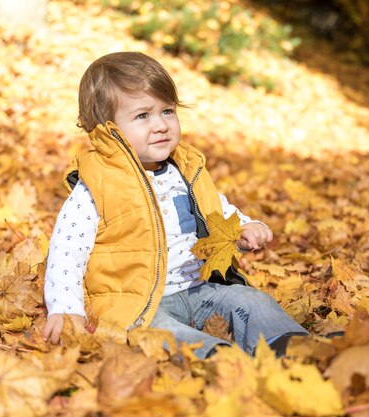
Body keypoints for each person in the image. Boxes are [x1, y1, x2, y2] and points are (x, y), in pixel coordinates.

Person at [42, 51, 308, 358]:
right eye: (143, 116)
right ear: (106, 130)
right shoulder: (98, 185)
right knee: (156, 333)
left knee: (251, 302)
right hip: (137, 302)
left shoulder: (185, 168)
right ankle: (215, 359)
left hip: (201, 290)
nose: (161, 125)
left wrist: (244, 226)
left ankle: (293, 347)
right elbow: (67, 249)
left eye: (167, 111)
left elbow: (214, 209)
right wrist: (65, 307)